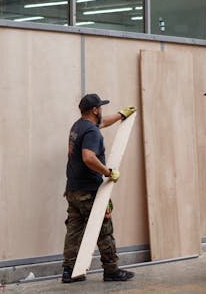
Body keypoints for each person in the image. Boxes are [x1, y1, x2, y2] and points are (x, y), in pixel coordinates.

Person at [62, 93, 135, 283]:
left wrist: (121, 115)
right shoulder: (92, 132)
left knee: (74, 231)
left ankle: (69, 271)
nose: (102, 110)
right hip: (89, 191)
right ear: (95, 110)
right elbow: (88, 157)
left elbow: (101, 124)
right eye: (100, 107)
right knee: (103, 229)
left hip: (73, 190)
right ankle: (111, 270)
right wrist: (107, 172)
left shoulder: (79, 126)